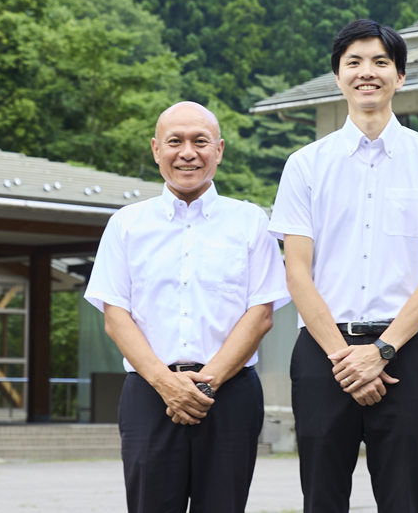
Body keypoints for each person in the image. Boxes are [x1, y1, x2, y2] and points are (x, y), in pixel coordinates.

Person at [269, 19, 418, 513]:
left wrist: (380, 351)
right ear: (337, 77)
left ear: (400, 77)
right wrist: (347, 357)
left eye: (381, 62)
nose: (367, 72)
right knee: (321, 497)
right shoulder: (305, 165)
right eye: (354, 62)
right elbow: (297, 272)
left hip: (403, 351)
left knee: (403, 499)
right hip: (324, 354)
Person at [84, 101, 291, 513]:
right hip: (149, 392)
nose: (188, 153)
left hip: (230, 393)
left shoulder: (251, 222)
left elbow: (260, 314)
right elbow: (115, 317)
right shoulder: (126, 224)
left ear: (220, 149)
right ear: (156, 149)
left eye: (201, 141)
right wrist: (166, 384)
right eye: (174, 141)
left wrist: (203, 384)